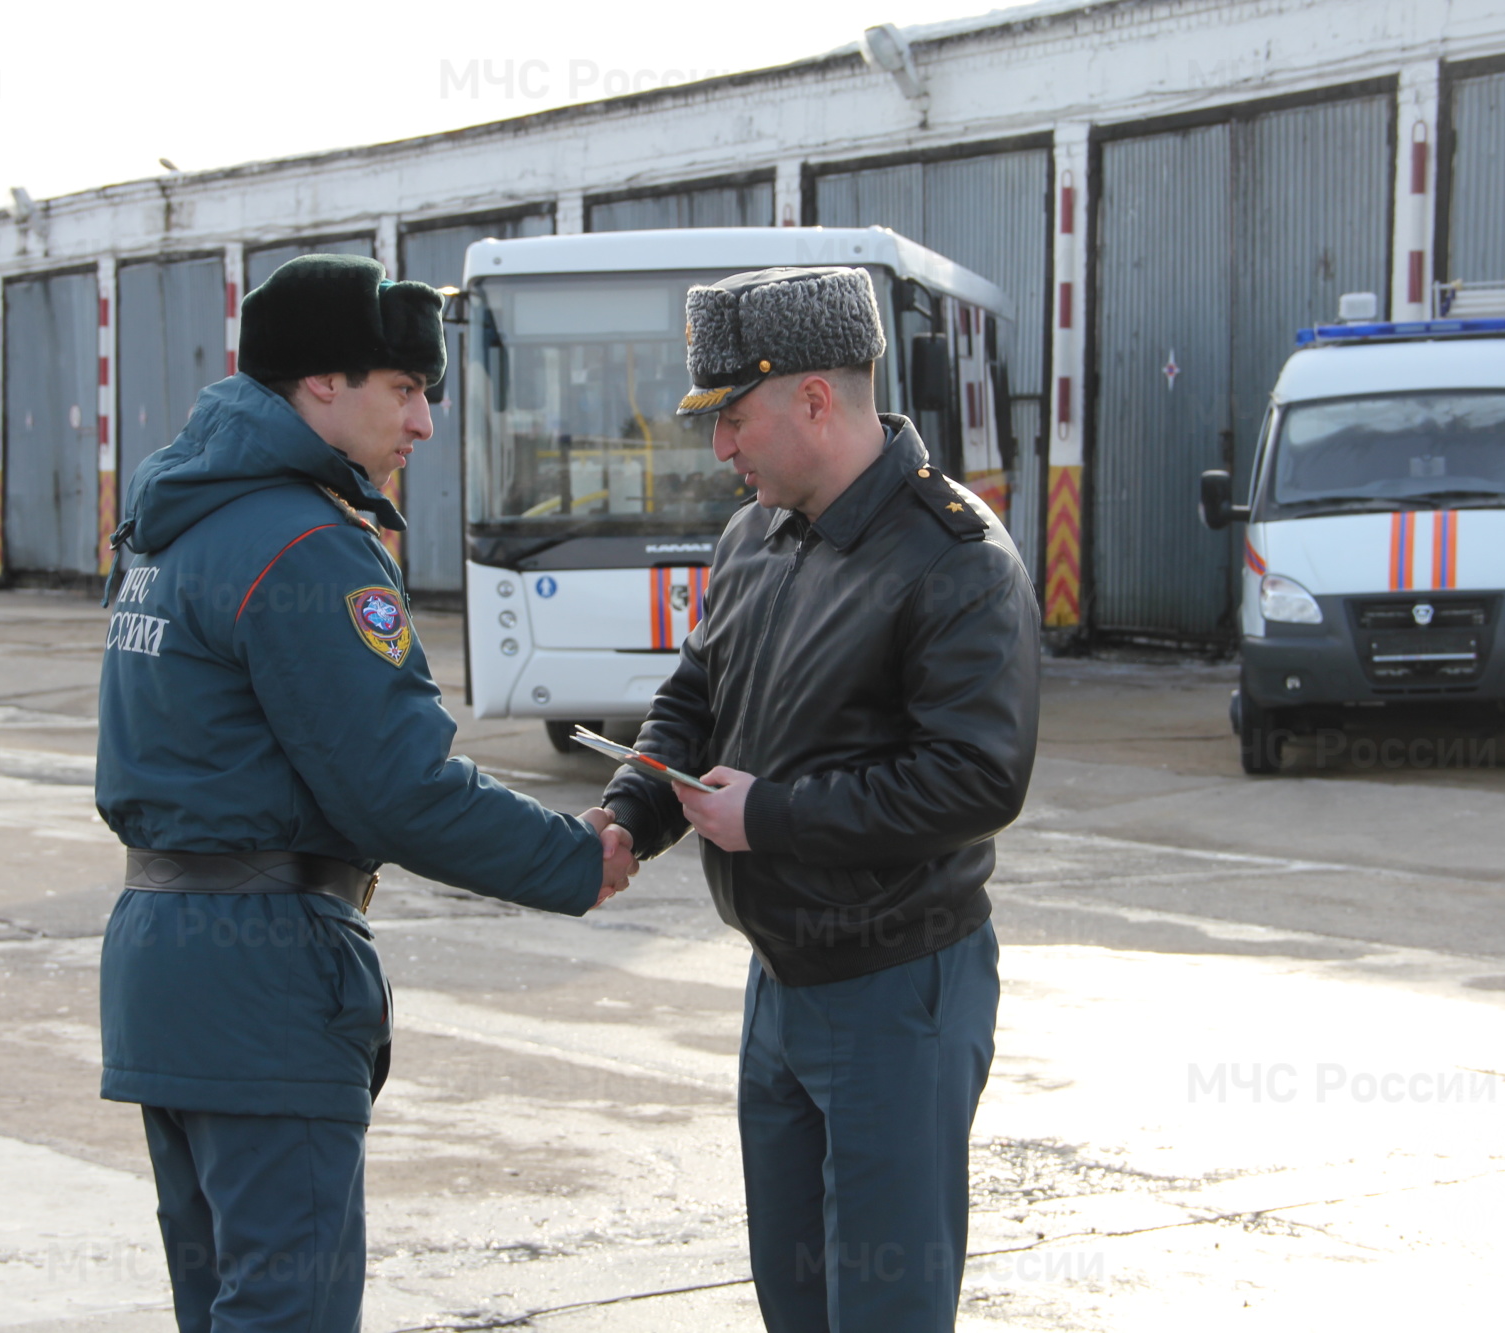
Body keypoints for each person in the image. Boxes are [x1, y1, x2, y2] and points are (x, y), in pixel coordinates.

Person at [93, 253, 636, 1333]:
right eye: (404, 389)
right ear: (318, 387)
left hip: (163, 961)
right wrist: (578, 857)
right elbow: (400, 789)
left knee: (220, 1303)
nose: (425, 423)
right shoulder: (304, 545)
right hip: (266, 972)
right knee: (288, 1308)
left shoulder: (180, 521)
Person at [602, 265, 1039, 1332]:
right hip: (781, 982)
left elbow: (975, 778)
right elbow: (695, 695)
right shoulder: (756, 536)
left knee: (883, 1308)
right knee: (795, 1302)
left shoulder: (956, 560)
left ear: (811, 399)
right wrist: (631, 811)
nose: (720, 449)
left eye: (732, 419)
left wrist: (771, 817)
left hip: (896, 986)